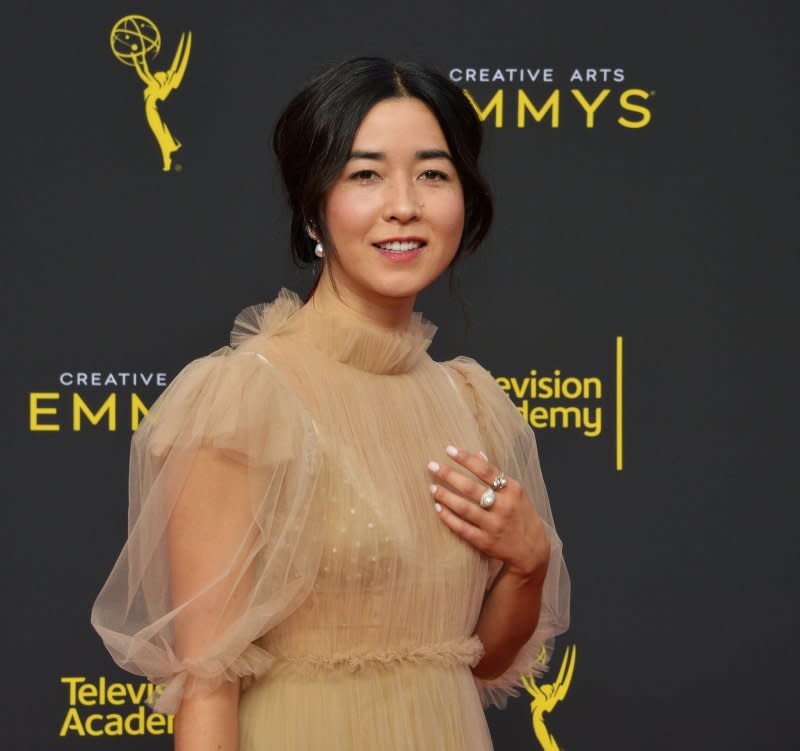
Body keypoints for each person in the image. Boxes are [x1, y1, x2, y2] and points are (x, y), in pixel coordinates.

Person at [91, 56, 570, 751]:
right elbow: (208, 689)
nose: (403, 203)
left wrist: (529, 566)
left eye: (433, 174)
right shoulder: (245, 399)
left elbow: (478, 663)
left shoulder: (473, 402)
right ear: (314, 203)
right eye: (366, 173)